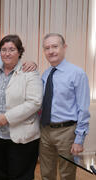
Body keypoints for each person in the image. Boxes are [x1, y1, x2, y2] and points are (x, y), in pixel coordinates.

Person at [0, 16, 38, 179]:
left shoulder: (29, 72)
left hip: (20, 136)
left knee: (19, 176)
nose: (7, 53)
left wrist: (7, 117)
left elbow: (34, 102)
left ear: (20, 52)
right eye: (4, 50)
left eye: (12, 49)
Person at [39, 33, 90, 180]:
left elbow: (83, 109)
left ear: (64, 47)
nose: (51, 51)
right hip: (45, 131)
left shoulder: (77, 73)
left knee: (67, 175)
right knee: (46, 173)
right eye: (47, 48)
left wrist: (79, 139)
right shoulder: (46, 74)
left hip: (67, 132)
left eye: (55, 46)